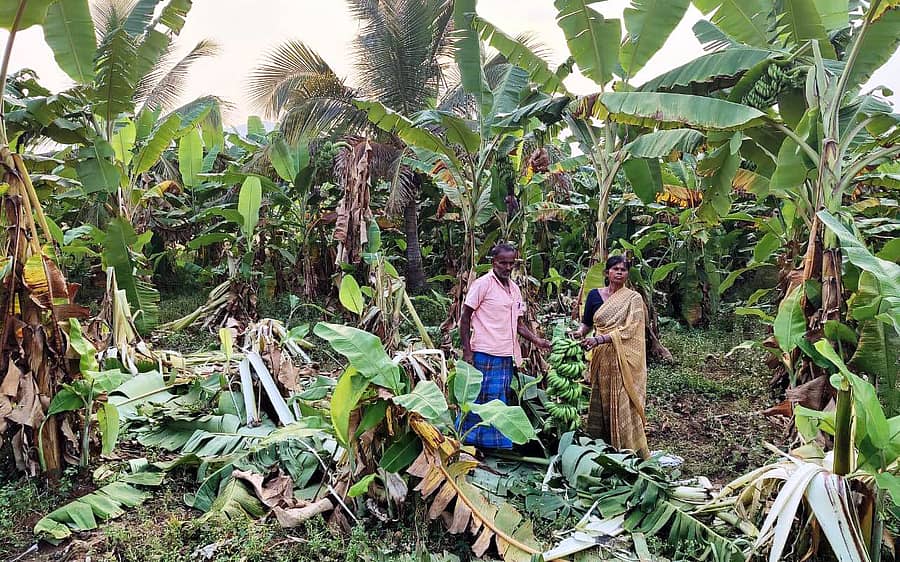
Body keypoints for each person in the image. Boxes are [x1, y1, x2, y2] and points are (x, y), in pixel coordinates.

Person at [458, 243, 552, 449]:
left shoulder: (514, 289)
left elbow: (518, 324)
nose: (507, 267)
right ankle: (468, 443)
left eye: (511, 263)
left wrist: (537, 340)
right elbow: (464, 318)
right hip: (484, 352)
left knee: (498, 403)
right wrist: (467, 352)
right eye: (503, 263)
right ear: (494, 262)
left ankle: (494, 446)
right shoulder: (483, 284)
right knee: (479, 401)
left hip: (506, 354)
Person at [572, 255, 650, 459]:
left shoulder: (633, 298)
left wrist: (601, 339)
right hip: (601, 357)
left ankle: (627, 448)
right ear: (607, 273)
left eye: (623, 270)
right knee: (601, 397)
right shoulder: (594, 295)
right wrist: (580, 333)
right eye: (615, 269)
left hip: (622, 358)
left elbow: (632, 328)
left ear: (627, 274)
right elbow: (587, 323)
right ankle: (603, 445)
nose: (619, 272)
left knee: (623, 399)